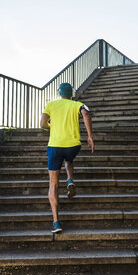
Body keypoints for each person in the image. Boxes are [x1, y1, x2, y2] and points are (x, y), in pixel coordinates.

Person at [40, 82, 94, 233]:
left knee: (53, 185)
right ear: (72, 94)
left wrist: (51, 126)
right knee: (69, 159)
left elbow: (42, 123)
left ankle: (56, 222)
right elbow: (86, 113)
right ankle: (70, 179)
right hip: (73, 146)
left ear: (59, 93)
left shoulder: (51, 105)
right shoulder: (77, 104)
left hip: (55, 147)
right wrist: (90, 137)